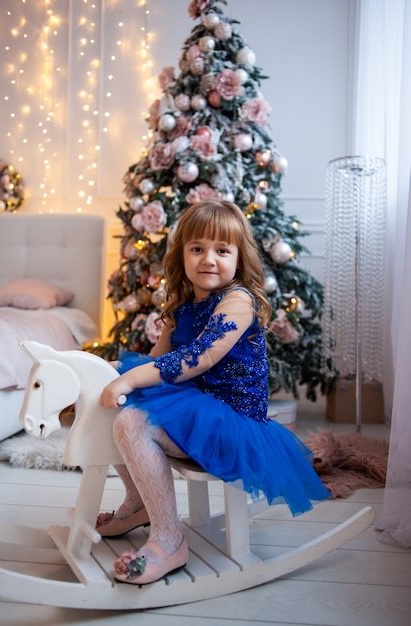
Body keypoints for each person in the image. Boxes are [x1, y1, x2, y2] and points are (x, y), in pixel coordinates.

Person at [97, 200, 331, 585]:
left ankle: (169, 541)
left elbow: (201, 357)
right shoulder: (182, 306)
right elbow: (159, 359)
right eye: (197, 249)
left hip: (231, 423)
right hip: (196, 407)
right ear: (183, 255)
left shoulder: (238, 301)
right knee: (114, 403)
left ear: (239, 259)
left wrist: (131, 379)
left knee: (133, 419)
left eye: (222, 250)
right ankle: (138, 501)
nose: (209, 259)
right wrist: (116, 373)